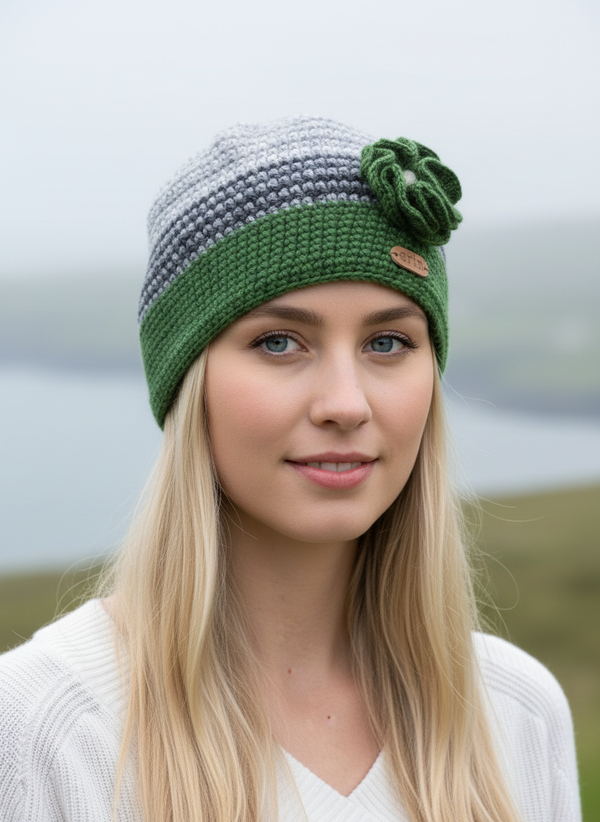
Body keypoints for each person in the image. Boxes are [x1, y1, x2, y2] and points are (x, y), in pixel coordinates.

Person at [0, 117, 580, 822]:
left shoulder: (516, 713)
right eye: (279, 342)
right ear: (189, 381)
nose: (346, 403)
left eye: (389, 342)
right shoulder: (47, 727)